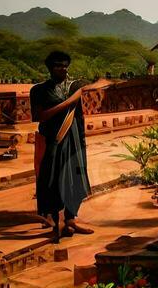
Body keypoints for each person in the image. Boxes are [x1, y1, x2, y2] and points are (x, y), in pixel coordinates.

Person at [31, 52, 107, 243]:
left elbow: (101, 82)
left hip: (75, 140)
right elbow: (39, 116)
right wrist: (66, 104)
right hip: (54, 140)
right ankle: (56, 224)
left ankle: (71, 219)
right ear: (50, 68)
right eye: (58, 66)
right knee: (52, 179)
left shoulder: (75, 87)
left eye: (65, 66)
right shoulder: (40, 90)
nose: (63, 69)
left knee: (76, 178)